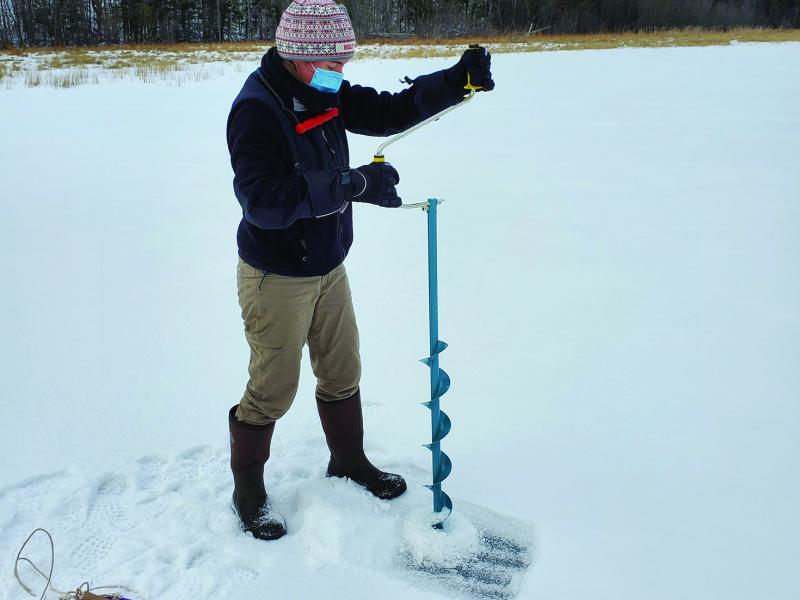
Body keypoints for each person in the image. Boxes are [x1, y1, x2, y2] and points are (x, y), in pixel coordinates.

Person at [225, 0, 495, 541]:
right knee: (273, 389)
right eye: (332, 61)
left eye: (344, 62)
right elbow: (263, 203)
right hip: (276, 276)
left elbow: (389, 111)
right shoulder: (258, 108)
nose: (340, 72)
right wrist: (353, 185)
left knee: (342, 371)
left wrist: (456, 81)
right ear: (299, 56)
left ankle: (348, 461)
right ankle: (248, 491)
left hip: (328, 265)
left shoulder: (320, 89)